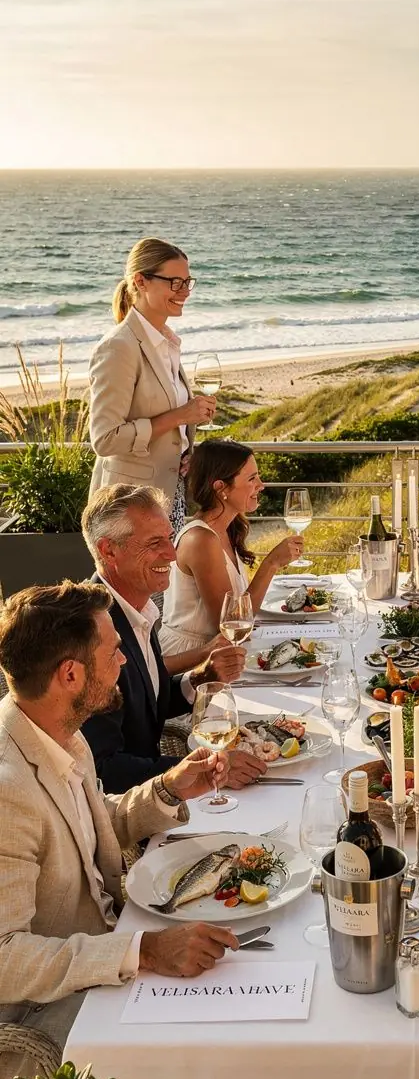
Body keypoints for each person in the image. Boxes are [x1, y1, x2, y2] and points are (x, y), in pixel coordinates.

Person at [0, 581, 239, 1079]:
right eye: (112, 652)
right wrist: (143, 951)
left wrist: (167, 790)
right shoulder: (7, 790)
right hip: (44, 1014)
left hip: (107, 948)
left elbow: (85, 825)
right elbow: (5, 958)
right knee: (218, 1046)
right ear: (70, 674)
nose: (124, 661)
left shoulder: (58, 733)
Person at [79, 483, 265, 792]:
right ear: (108, 550)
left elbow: (147, 704)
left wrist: (203, 676)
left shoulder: (137, 608)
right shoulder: (91, 635)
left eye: (169, 538)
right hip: (128, 807)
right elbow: (103, 770)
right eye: (155, 543)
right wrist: (206, 771)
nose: (172, 554)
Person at [88, 239, 217, 534]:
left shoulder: (167, 342)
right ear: (140, 281)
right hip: (128, 507)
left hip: (169, 497)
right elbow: (105, 439)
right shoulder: (119, 347)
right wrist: (180, 416)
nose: (185, 292)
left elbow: (167, 431)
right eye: (175, 282)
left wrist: (185, 453)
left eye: (187, 282)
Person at [160, 440, 304, 657]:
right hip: (192, 657)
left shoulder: (226, 529)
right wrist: (271, 563)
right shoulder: (201, 539)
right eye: (252, 479)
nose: (261, 485)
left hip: (221, 649)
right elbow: (232, 623)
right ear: (221, 488)